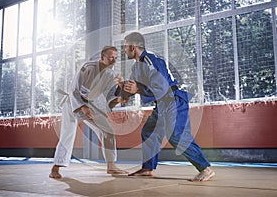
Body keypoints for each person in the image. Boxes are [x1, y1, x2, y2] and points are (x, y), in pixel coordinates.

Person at [115, 32, 215, 181]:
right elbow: (133, 88)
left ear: (133, 47)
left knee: (176, 136)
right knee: (149, 132)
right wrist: (122, 88)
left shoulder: (151, 60)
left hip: (173, 100)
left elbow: (161, 86)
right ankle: (148, 168)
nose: (124, 50)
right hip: (161, 105)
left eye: (125, 47)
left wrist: (138, 89)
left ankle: (205, 168)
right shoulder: (136, 68)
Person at [49, 46, 128, 179]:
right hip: (73, 103)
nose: (114, 60)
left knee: (107, 130)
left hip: (91, 105)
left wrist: (121, 88)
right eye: (110, 58)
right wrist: (83, 107)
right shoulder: (88, 67)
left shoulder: (110, 74)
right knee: (67, 134)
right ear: (102, 57)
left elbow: (110, 96)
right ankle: (55, 168)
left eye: (115, 58)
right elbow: (75, 89)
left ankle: (111, 165)